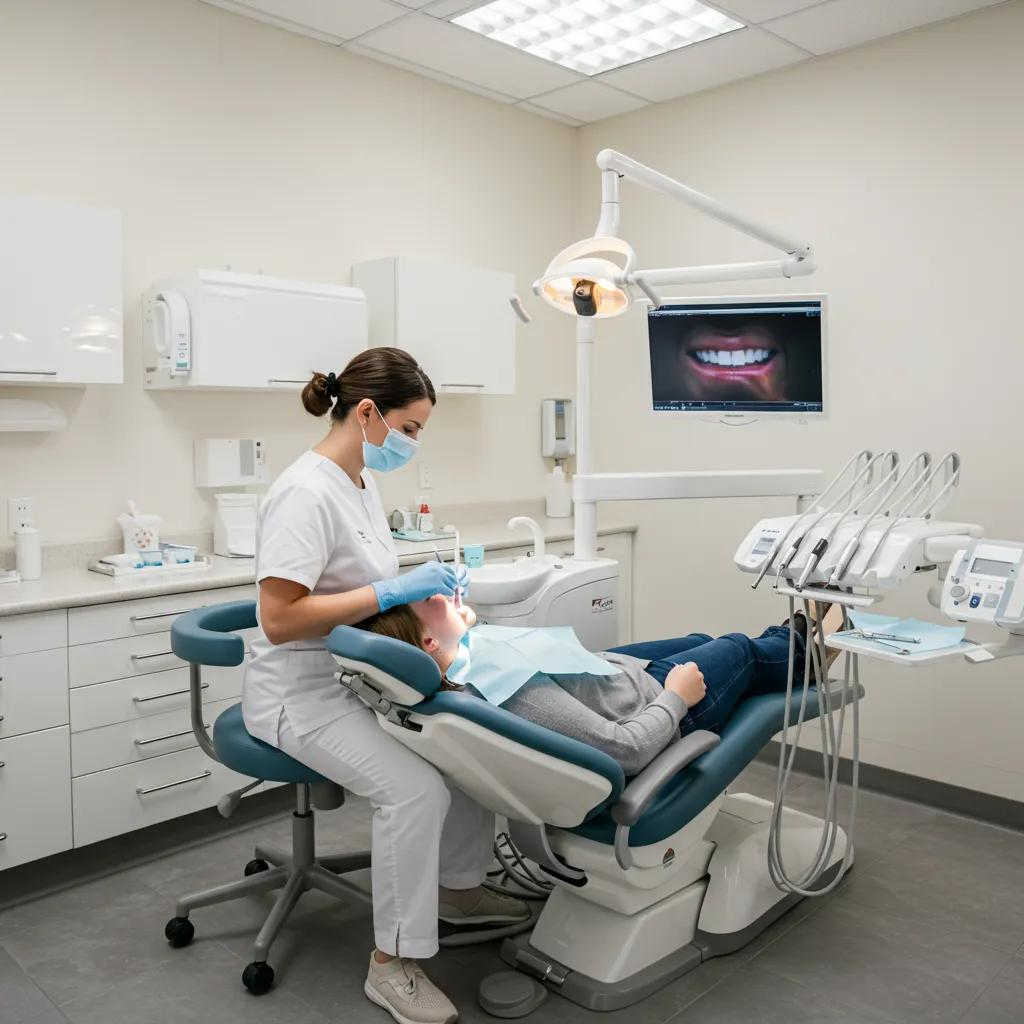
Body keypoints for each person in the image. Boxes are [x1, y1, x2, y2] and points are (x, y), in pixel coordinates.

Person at [243, 347, 528, 1024]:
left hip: (356, 678)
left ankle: (457, 891)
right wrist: (393, 587)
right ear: (367, 412)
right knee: (414, 788)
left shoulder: (361, 481)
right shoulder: (303, 493)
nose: (414, 441)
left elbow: (358, 590)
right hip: (300, 695)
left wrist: (421, 591)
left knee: (462, 746)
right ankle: (392, 964)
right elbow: (279, 619)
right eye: (412, 427)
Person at [357, 595, 843, 776]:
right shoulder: (506, 686)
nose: (441, 595)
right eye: (430, 603)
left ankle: (791, 641)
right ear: (427, 642)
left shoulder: (465, 662)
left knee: (701, 640)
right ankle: (810, 641)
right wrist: (677, 697)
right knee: (740, 651)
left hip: (616, 677)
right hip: (656, 708)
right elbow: (624, 750)